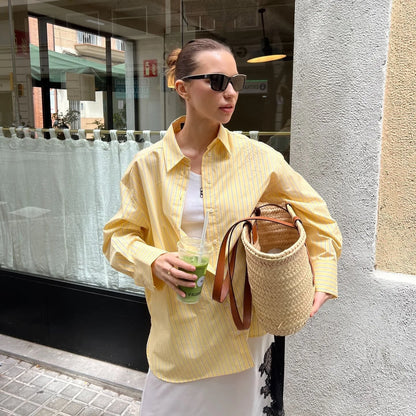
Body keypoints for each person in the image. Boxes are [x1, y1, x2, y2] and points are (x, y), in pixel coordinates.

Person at [103, 38, 342, 416]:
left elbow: (317, 216)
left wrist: (323, 275)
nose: (229, 93)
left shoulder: (258, 158)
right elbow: (118, 237)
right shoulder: (147, 166)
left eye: (235, 81)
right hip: (178, 332)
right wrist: (154, 260)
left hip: (239, 331)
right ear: (182, 88)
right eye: (216, 81)